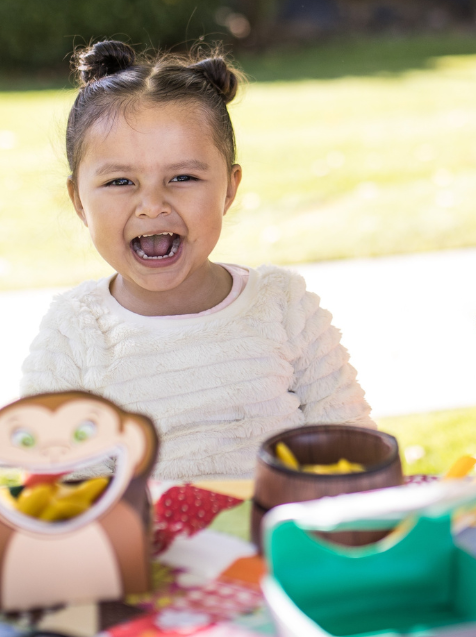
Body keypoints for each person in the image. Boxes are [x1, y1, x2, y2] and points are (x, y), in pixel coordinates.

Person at [21, 40, 372, 479]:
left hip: (280, 539)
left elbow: (351, 445)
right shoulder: (75, 330)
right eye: (120, 181)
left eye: (183, 177)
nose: (152, 204)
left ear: (229, 187)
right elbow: (63, 486)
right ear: (78, 200)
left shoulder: (283, 305)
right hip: (149, 547)